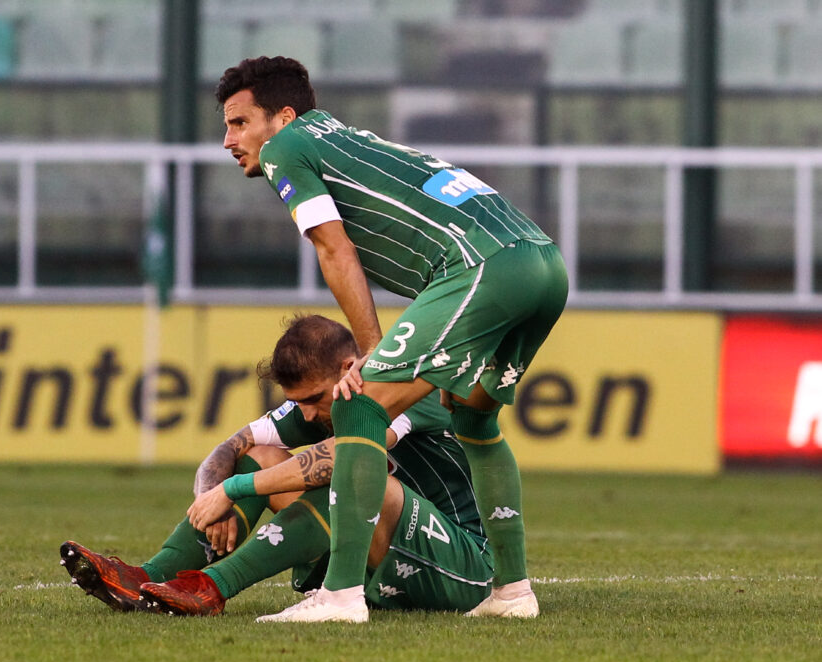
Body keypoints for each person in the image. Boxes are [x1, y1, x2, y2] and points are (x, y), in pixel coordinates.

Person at [215, 56, 568, 621]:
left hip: (482, 266)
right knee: (473, 418)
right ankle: (512, 592)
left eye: (239, 123)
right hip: (542, 262)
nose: (228, 140)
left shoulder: (287, 148)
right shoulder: (345, 140)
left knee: (359, 405)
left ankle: (341, 595)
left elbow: (333, 248)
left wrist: (372, 350)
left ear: (283, 117)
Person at [60, 314, 492, 622]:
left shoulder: (398, 389)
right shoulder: (315, 404)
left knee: (361, 477)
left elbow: (348, 457)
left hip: (461, 566)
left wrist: (235, 490)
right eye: (297, 402)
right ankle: (146, 577)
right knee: (260, 455)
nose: (306, 415)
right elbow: (229, 448)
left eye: (313, 399)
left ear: (348, 368)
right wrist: (213, 501)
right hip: (377, 558)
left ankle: (212, 587)